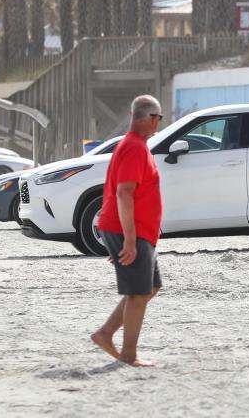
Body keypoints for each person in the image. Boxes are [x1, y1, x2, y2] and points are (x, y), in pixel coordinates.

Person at [91, 95, 164, 367]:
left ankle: (105, 333)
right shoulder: (134, 148)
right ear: (150, 118)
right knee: (138, 293)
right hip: (131, 231)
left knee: (150, 287)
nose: (158, 123)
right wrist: (128, 241)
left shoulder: (133, 145)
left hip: (132, 230)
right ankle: (128, 355)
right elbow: (124, 193)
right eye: (159, 118)